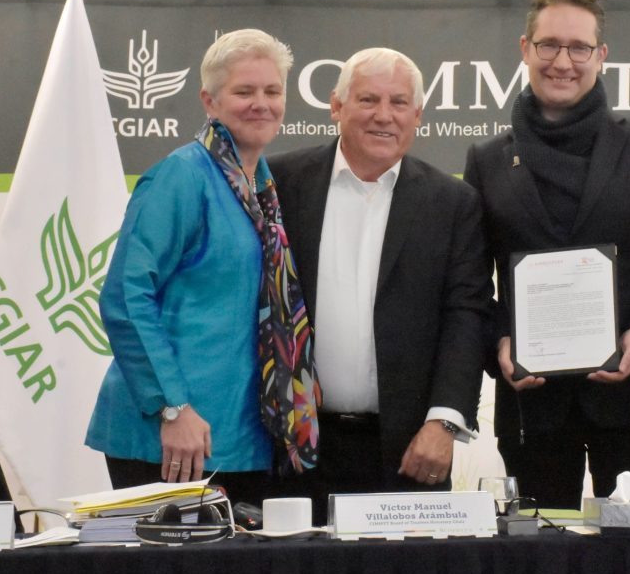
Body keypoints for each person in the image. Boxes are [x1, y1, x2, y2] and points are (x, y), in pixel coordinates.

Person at [463, 0, 630, 509]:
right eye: (548, 45)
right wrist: (500, 342)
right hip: (531, 402)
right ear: (525, 49)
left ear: (601, 56)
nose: (562, 61)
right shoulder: (487, 159)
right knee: (539, 554)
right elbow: (472, 282)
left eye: (578, 47)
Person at [86, 29, 317, 508]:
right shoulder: (181, 176)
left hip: (243, 436)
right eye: (244, 91)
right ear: (209, 101)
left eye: (272, 91)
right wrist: (173, 407)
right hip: (171, 434)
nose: (262, 103)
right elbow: (127, 297)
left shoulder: (265, 190)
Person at [267, 47, 493, 525]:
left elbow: (465, 317)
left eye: (399, 103)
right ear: (336, 107)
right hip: (292, 447)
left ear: (418, 115)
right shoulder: (281, 183)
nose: (383, 116)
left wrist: (445, 423)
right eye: (368, 100)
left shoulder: (453, 203)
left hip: (410, 450)